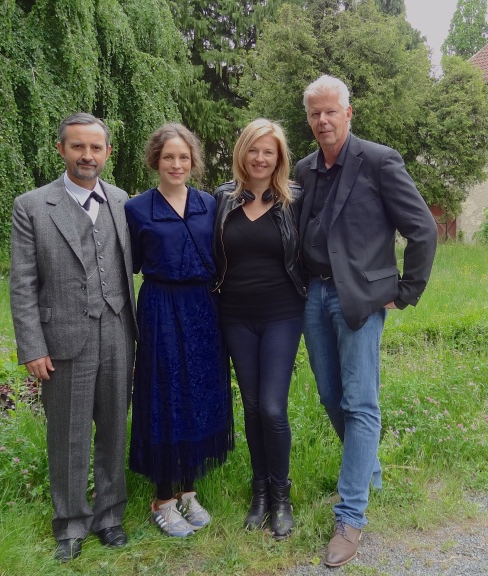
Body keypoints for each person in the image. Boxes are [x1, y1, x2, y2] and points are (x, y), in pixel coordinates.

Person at [295, 75, 438, 567]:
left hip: (360, 299)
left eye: (331, 111)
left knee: (360, 401)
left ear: (348, 113)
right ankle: (368, 464)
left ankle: (351, 514)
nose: (323, 120)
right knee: (331, 395)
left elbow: (423, 229)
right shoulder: (305, 169)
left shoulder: (378, 160)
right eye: (315, 113)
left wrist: (406, 292)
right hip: (314, 296)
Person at [9, 112, 137, 562]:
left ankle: (110, 515)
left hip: (119, 331)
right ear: (61, 149)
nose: (87, 156)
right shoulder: (32, 206)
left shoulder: (123, 201)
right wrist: (32, 346)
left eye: (96, 148)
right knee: (68, 433)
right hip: (62, 337)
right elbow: (23, 283)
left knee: (114, 429)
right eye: (78, 147)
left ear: (107, 153)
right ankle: (70, 524)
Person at [124, 123, 233, 539]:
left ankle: (189, 491)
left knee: (199, 395)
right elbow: (129, 264)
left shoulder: (210, 203)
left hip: (204, 308)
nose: (176, 164)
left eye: (183, 157)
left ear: (193, 161)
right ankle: (163, 498)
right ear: (156, 159)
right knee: (166, 397)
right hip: (161, 309)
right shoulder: (136, 209)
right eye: (168, 156)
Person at [213, 119, 306, 540]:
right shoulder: (221, 199)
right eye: (254, 149)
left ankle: (282, 496)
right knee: (250, 407)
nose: (260, 158)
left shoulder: (294, 200)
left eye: (269, 151)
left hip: (282, 313)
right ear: (242, 153)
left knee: (272, 406)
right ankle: (260, 493)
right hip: (234, 316)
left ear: (279, 158)